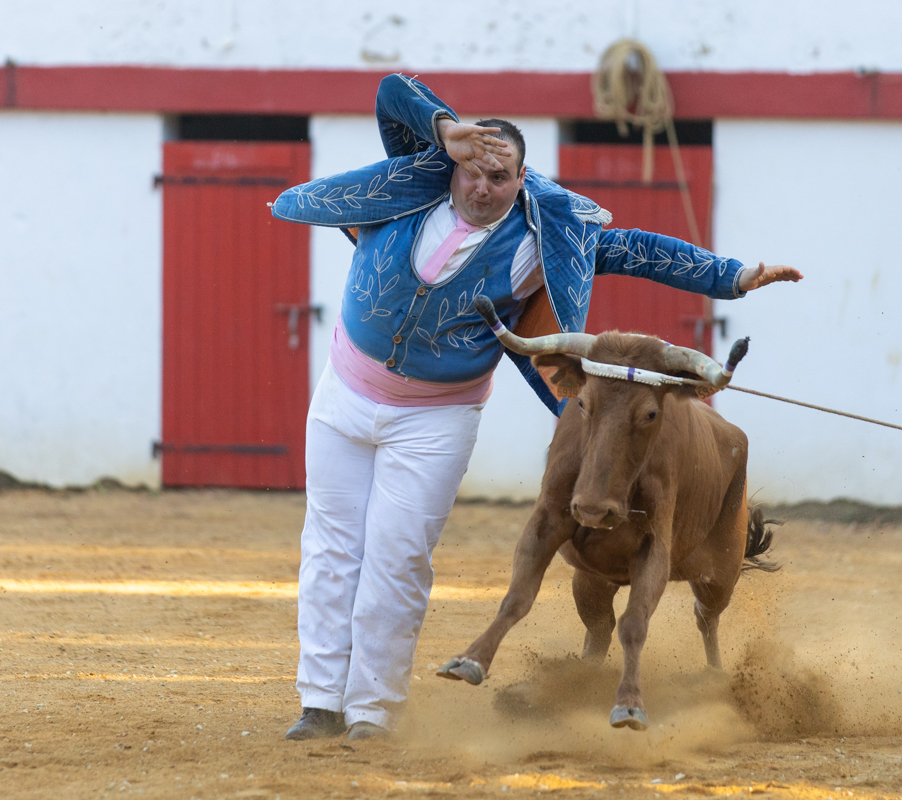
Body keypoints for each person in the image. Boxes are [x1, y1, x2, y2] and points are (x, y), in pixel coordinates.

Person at [269, 73, 800, 741]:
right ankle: (319, 703)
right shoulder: (407, 189)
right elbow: (391, 89)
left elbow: (639, 249)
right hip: (343, 395)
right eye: (472, 171)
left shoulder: (541, 240)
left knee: (396, 555)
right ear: (455, 166)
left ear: (522, 181)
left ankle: (372, 710)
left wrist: (733, 276)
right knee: (330, 548)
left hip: (436, 416)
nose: (482, 186)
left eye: (500, 176)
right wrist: (443, 128)